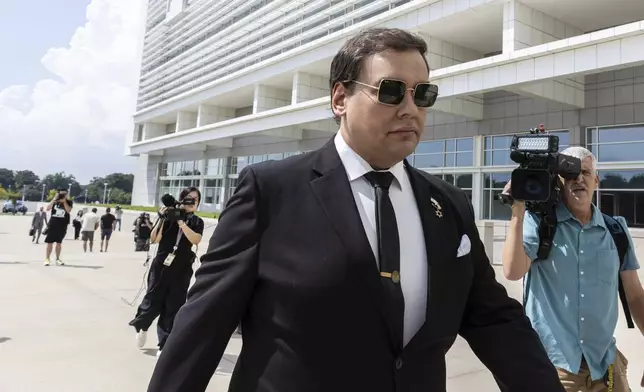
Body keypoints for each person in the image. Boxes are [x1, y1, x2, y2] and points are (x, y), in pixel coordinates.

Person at [147, 28, 563, 392]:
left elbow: (493, 317)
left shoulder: (448, 202)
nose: (410, 108)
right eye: (391, 91)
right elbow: (203, 323)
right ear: (340, 98)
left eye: (423, 94)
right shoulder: (271, 191)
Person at [501, 146, 644, 392]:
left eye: (586, 172)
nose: (578, 179)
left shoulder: (616, 230)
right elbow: (512, 271)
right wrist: (517, 212)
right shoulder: (540, 225)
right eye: (570, 174)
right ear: (558, 182)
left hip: (606, 366)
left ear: (596, 181)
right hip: (556, 368)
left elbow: (635, 295)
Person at [129, 187, 204, 357]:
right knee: (152, 300)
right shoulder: (169, 215)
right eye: (189, 199)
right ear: (182, 200)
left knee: (174, 305)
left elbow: (196, 239)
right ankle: (143, 328)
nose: (192, 202)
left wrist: (181, 222)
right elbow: (154, 239)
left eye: (195, 200)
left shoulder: (196, 221)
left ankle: (164, 344)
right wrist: (163, 218)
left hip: (182, 267)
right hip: (161, 265)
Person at [44, 188, 73, 266]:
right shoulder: (54, 201)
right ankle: (47, 259)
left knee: (59, 243)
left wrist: (64, 202)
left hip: (63, 224)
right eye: (61, 194)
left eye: (64, 194)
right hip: (53, 223)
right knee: (49, 242)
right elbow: (48, 208)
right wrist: (54, 199)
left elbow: (68, 211)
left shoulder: (69, 202)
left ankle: (57, 258)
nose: (63, 195)